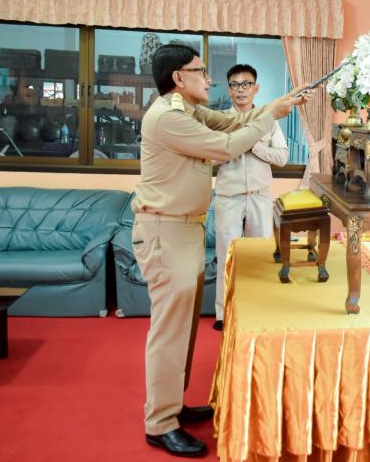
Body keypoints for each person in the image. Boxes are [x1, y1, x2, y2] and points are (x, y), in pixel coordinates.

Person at [131, 44, 311, 457]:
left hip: (184, 229)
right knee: (169, 331)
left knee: (183, 330)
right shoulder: (168, 116)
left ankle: (172, 405)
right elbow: (226, 146)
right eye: (200, 71)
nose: (209, 79)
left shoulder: (189, 110)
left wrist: (276, 106)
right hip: (165, 231)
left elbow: (232, 121)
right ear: (179, 77)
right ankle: (159, 422)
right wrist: (269, 116)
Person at [212, 64, 288, 331]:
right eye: (235, 84)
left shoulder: (268, 120)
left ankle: (259, 309)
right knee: (226, 254)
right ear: (229, 89)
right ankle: (222, 313)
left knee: (260, 255)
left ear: (256, 88)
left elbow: (282, 157)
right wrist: (232, 146)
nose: (240, 89)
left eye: (246, 84)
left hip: (259, 196)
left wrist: (253, 144)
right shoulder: (220, 120)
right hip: (228, 197)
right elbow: (208, 157)